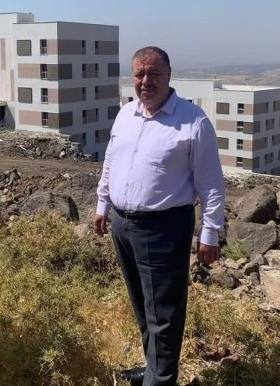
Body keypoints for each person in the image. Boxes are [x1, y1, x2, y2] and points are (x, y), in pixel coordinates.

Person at [94, 46, 225, 386]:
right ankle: (152, 367)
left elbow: (211, 184)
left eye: (153, 73)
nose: (145, 81)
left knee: (164, 314)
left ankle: (161, 379)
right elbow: (111, 161)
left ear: (169, 75)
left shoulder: (193, 121)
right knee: (142, 305)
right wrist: (102, 204)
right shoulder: (126, 114)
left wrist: (210, 232)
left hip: (164, 228)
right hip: (123, 224)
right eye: (139, 74)